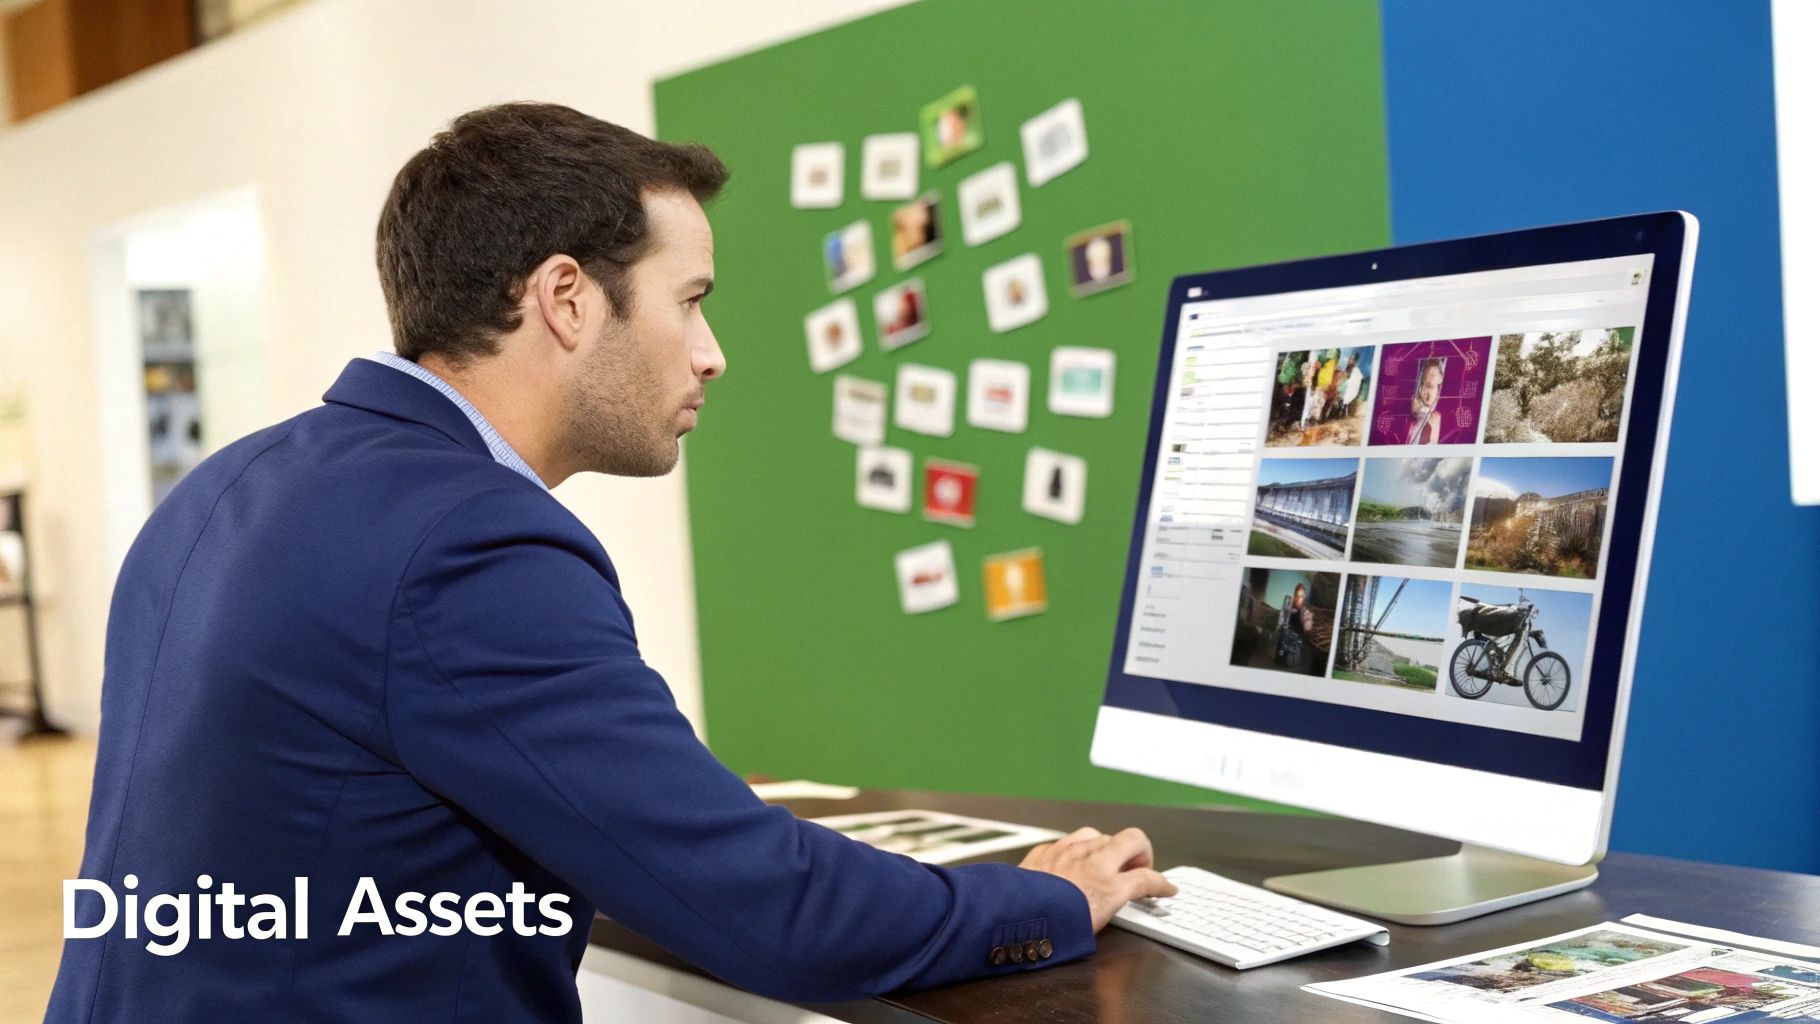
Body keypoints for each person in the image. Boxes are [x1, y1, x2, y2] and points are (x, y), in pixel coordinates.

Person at [47, 104, 1172, 1023]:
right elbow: (772, 916)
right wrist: (1039, 901)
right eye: (690, 301)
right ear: (566, 298)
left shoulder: (228, 484)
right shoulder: (467, 539)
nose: (711, 353)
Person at [1407, 357, 1445, 444]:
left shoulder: (1435, 417)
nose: (1423, 390)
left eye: (1429, 386)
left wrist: (1421, 409)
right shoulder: (1413, 407)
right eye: (1423, 384)